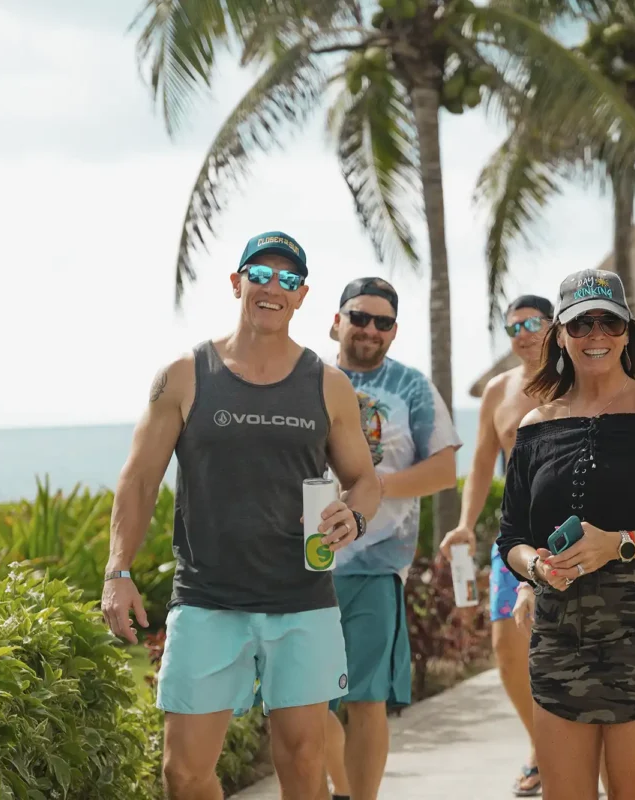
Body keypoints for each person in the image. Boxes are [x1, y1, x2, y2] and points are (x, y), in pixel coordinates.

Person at [100, 231, 382, 800]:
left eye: (288, 279)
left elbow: (363, 481)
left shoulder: (328, 385)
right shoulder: (184, 374)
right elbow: (138, 479)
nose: (273, 287)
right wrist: (118, 571)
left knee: (304, 763)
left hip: (301, 599)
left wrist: (354, 516)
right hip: (207, 598)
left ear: (302, 296)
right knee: (184, 772)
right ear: (237, 282)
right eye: (261, 273)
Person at [496, 269, 635, 800]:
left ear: (627, 332)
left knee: (632, 792)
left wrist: (620, 543)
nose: (596, 334)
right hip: (557, 637)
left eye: (609, 322)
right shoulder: (534, 425)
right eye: (581, 324)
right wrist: (535, 569)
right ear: (560, 336)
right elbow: (512, 536)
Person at [322, 277, 463, 800]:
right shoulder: (303, 377)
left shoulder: (410, 387)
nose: (370, 329)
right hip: (300, 564)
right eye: (359, 317)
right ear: (336, 321)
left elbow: (445, 469)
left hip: (376, 563)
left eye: (383, 322)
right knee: (302, 701)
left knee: (366, 699)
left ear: (394, 331)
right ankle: (340, 788)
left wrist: (373, 487)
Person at [439, 293, 553, 796]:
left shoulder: (579, 381)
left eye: (532, 323)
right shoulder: (497, 391)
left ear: (553, 326)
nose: (523, 334)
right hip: (516, 539)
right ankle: (541, 747)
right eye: (514, 328)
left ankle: (573, 752)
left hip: (575, 539)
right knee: (507, 648)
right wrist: (466, 523)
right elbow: (483, 462)